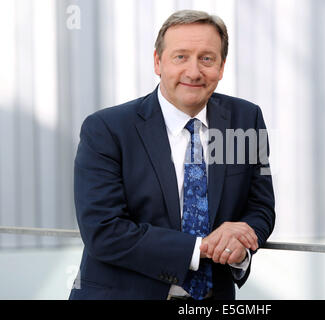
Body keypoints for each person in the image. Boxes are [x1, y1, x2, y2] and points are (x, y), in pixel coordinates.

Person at [69, 9, 275, 300]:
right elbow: (104, 230)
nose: (193, 72)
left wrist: (239, 239)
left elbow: (261, 207)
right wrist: (201, 248)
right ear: (158, 62)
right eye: (181, 57)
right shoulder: (107, 129)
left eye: (207, 58)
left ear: (222, 66)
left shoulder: (245, 118)